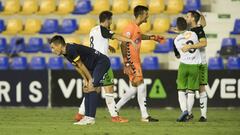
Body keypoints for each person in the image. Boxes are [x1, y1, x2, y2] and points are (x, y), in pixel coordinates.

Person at [75, 10, 137, 123]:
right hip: (101, 63)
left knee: (94, 89)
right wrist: (129, 40)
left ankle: (80, 113)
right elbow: (116, 36)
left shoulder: (93, 30)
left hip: (92, 62)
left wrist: (108, 47)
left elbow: (95, 44)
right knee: (109, 89)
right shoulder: (104, 30)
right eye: (111, 20)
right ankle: (114, 116)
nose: (111, 23)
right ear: (107, 20)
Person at [115, 5, 165, 122]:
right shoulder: (130, 27)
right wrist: (126, 63)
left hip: (135, 61)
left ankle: (115, 108)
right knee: (141, 84)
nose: (148, 16)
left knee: (134, 88)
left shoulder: (136, 28)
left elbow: (139, 36)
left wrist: (152, 37)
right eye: (146, 14)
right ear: (141, 14)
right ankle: (145, 116)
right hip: (131, 61)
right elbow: (123, 42)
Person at [50, 35, 111, 125]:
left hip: (101, 62)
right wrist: (85, 79)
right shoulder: (65, 52)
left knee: (92, 85)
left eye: (53, 47)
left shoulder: (71, 49)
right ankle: (86, 117)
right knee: (86, 87)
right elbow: (77, 66)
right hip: (92, 66)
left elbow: (81, 64)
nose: (52, 50)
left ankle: (91, 119)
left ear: (59, 45)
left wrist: (90, 79)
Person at [174, 17, 201, 122]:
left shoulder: (176, 40)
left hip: (184, 65)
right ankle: (189, 113)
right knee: (191, 92)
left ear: (177, 27)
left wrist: (178, 33)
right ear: (186, 25)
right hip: (194, 65)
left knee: (181, 90)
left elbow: (178, 53)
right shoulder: (194, 34)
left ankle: (184, 110)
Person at [182, 10, 208, 122]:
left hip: (201, 62)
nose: (186, 18)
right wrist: (201, 15)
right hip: (192, 62)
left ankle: (203, 116)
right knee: (190, 89)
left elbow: (204, 43)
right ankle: (190, 113)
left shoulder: (198, 30)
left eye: (188, 16)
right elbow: (204, 24)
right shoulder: (192, 30)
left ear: (193, 18)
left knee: (201, 88)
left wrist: (190, 47)